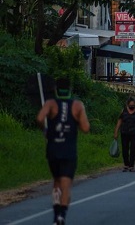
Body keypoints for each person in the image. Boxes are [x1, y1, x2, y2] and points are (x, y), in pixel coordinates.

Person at [36, 78, 90, 225]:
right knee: (66, 183)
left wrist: (46, 129)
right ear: (70, 89)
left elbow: (40, 118)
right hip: (69, 150)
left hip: (53, 149)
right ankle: (61, 215)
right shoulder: (77, 105)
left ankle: (56, 214)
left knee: (57, 182)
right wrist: (74, 123)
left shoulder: (50, 104)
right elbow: (85, 128)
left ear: (56, 89)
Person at [114, 96, 135, 172]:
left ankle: (131, 166)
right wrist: (116, 132)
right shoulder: (124, 111)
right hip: (124, 132)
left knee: (133, 149)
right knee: (125, 149)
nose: (132, 107)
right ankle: (126, 165)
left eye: (133, 105)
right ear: (127, 104)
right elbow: (119, 122)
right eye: (130, 105)